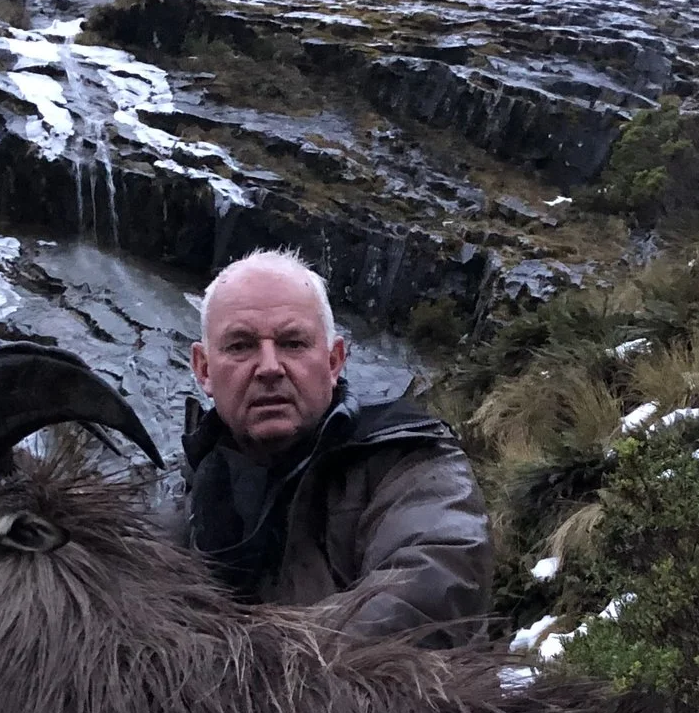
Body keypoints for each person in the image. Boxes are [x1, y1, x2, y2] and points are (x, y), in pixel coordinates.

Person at [175, 249, 492, 645]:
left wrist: (241, 666)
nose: (269, 367)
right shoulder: (179, 506)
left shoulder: (410, 461)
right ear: (203, 369)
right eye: (240, 346)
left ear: (334, 360)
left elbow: (434, 587)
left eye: (293, 343)